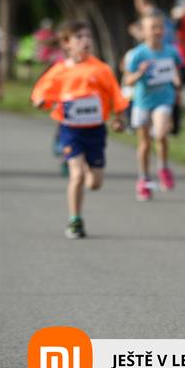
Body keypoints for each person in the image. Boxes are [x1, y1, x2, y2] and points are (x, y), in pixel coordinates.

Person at [31, 20, 128, 238]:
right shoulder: (59, 70)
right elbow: (42, 92)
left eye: (88, 37)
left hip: (95, 130)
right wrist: (40, 101)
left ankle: (84, 166)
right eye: (79, 37)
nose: (86, 41)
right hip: (70, 130)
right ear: (66, 43)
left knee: (95, 183)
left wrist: (118, 118)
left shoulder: (101, 69)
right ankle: (75, 220)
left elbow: (116, 95)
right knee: (77, 175)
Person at [123, 13, 182, 201]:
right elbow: (127, 81)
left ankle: (163, 168)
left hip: (164, 99)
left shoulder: (171, 51)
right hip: (142, 102)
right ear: (143, 31)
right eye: (153, 28)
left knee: (161, 134)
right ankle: (143, 179)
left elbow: (176, 70)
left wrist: (177, 80)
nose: (157, 31)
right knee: (145, 143)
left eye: (160, 27)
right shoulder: (138, 54)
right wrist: (139, 73)